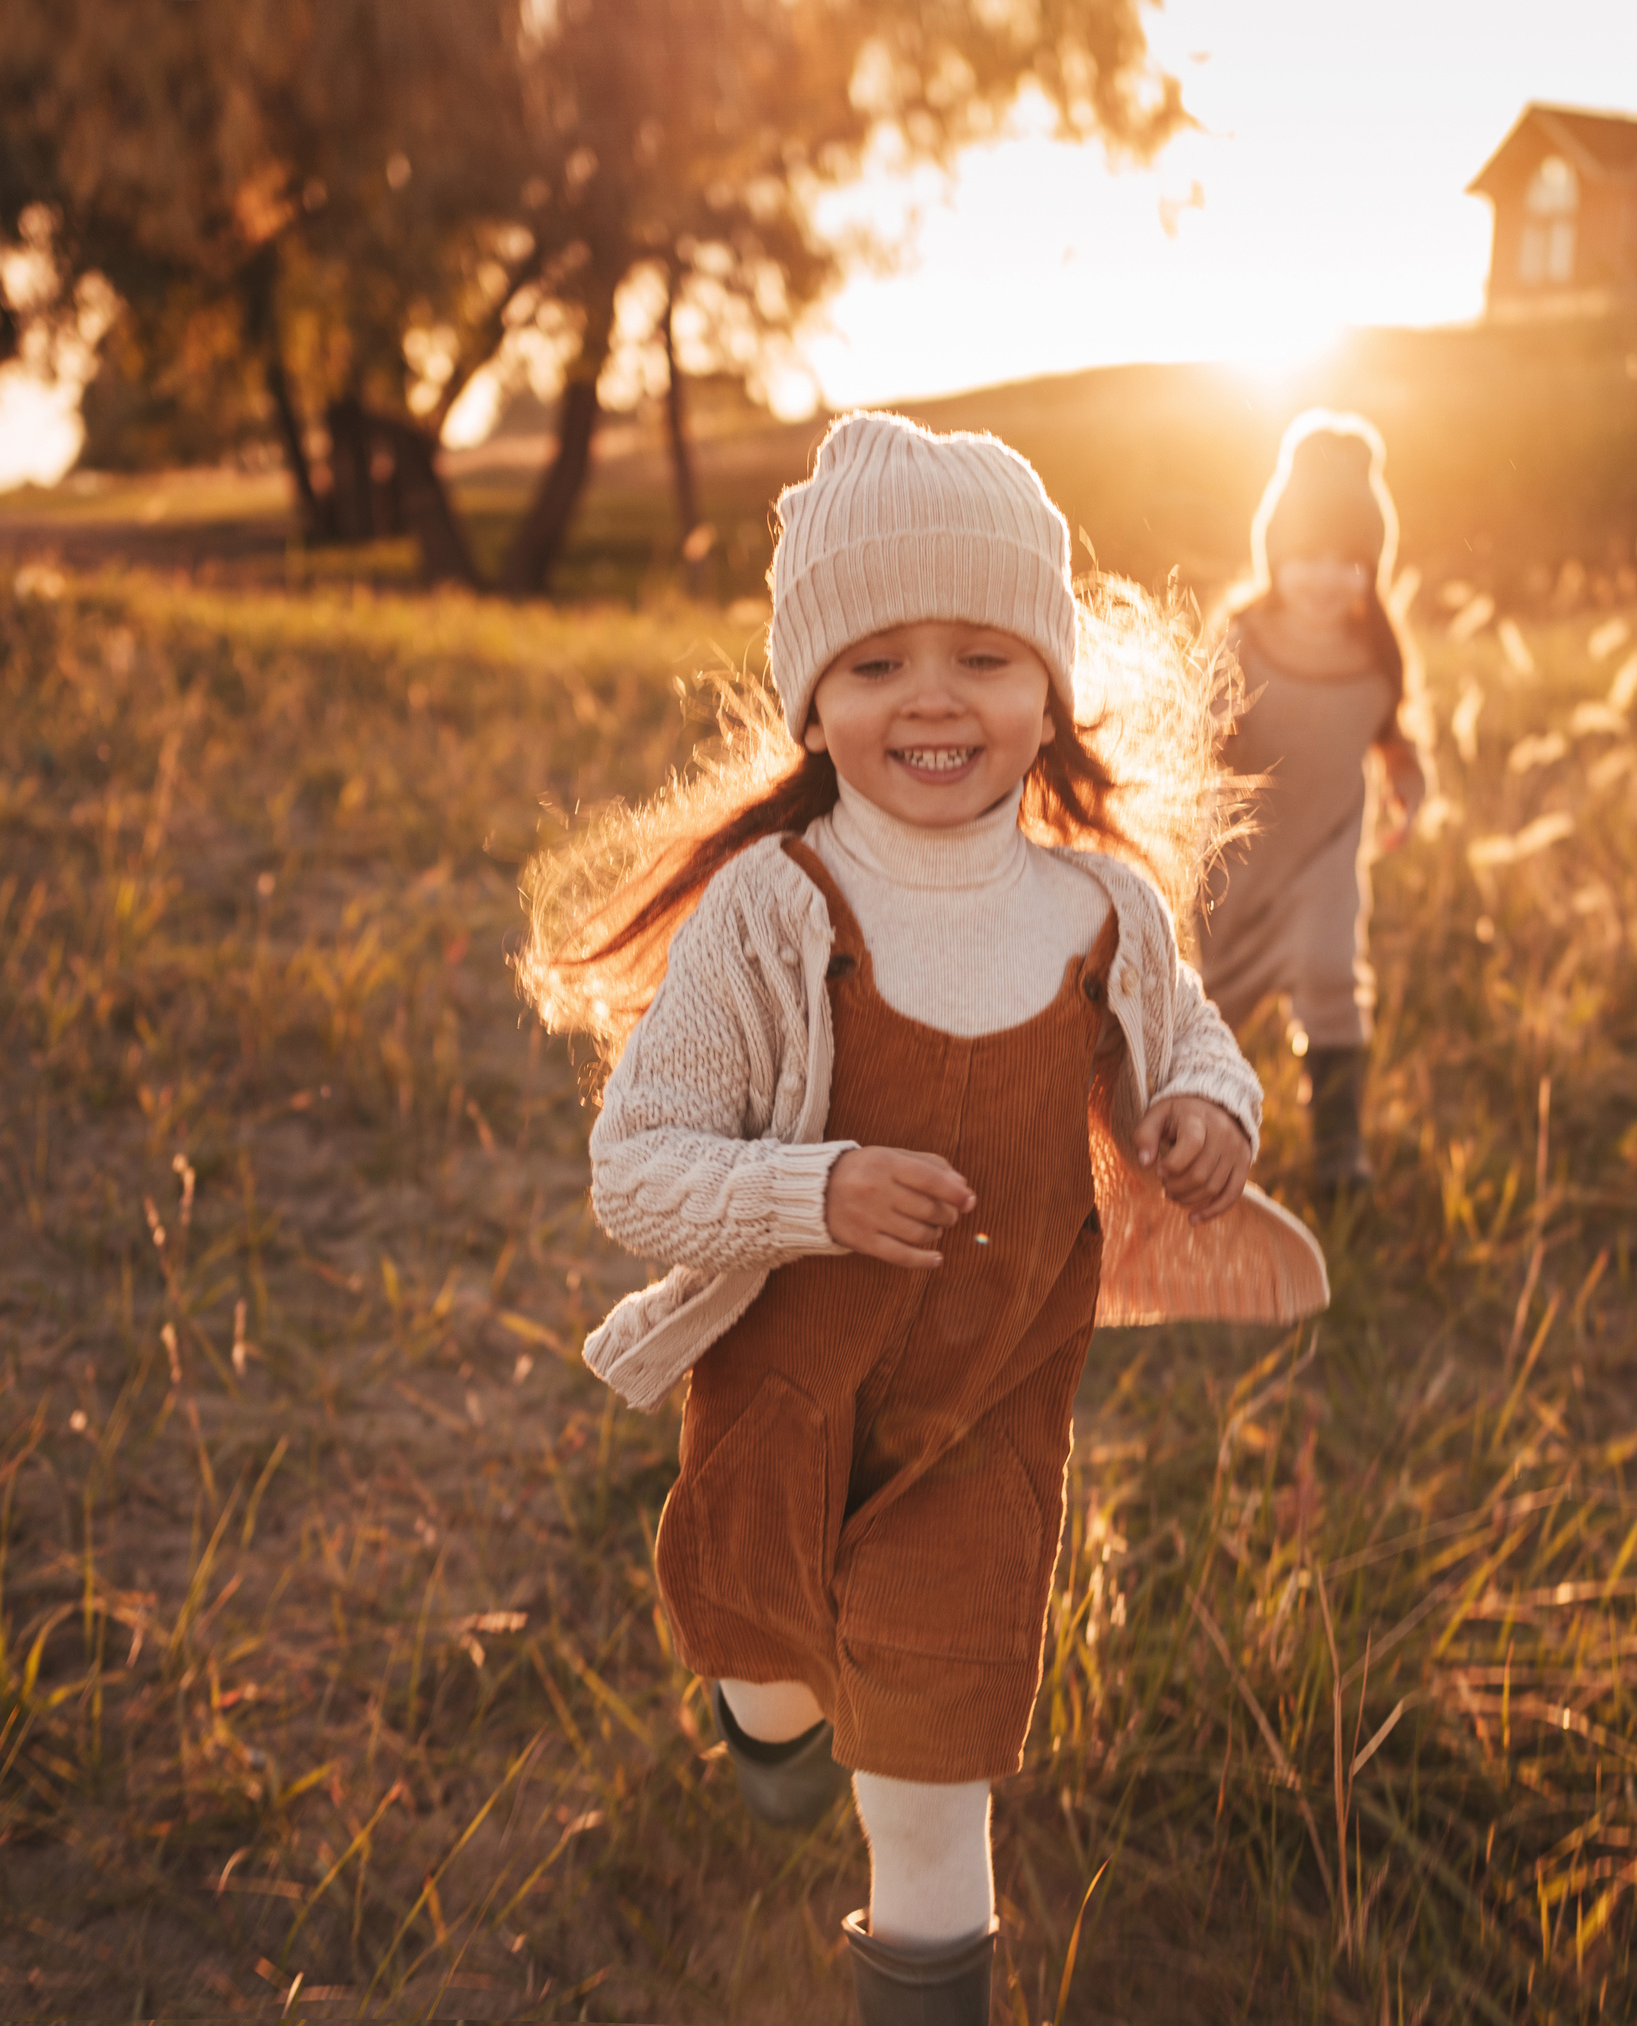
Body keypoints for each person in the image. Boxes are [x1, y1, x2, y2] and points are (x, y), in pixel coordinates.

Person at [520, 412, 1326, 2026]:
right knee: (759, 1649)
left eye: (983, 653)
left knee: (933, 1796)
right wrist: (811, 1189)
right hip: (784, 1391)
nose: (935, 697)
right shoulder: (776, 908)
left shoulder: (1105, 908)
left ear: (1049, 686)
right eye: (877, 661)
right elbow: (635, 1165)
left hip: (992, 1414)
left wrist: (1207, 1115)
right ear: (811, 698)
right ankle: (774, 1725)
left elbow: (1193, 1041)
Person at [1199, 411, 1431, 1202]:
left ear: (1373, 564)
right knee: (1213, 994)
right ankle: (1197, 1132)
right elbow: (1201, 731)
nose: (1326, 578)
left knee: (1333, 973)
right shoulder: (1247, 636)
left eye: (1348, 560)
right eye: (1306, 557)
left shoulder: (1375, 647)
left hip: (1330, 846)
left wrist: (1407, 779)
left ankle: (1338, 1144)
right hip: (1245, 850)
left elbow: (1390, 732)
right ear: (1275, 555)